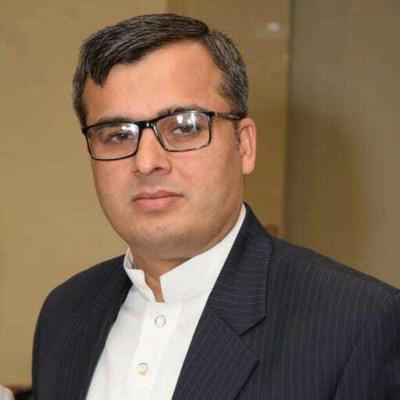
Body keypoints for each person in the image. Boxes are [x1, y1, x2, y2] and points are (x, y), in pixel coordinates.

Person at [32, 13, 400, 400]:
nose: (146, 161)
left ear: (244, 146)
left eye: (184, 126)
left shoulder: (356, 324)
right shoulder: (66, 313)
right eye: (117, 135)